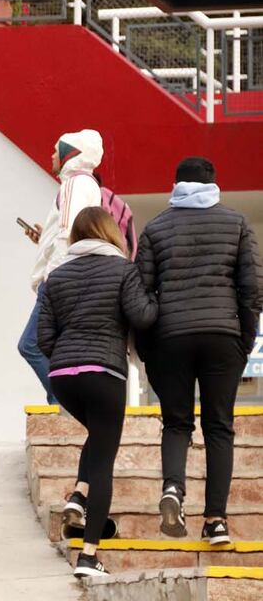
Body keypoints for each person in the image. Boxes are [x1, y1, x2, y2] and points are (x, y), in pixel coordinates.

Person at [136, 157, 261, 545]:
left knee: (177, 423)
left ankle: (173, 489)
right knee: (219, 425)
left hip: (170, 338)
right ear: (213, 184)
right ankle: (216, 521)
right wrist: (245, 340)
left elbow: (142, 294)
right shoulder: (236, 223)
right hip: (223, 335)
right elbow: (251, 288)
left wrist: (147, 351)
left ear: (176, 185)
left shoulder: (155, 228)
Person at [38, 207, 158, 578]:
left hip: (63, 375)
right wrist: (155, 300)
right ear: (110, 232)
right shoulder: (123, 269)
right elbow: (142, 316)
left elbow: (44, 337)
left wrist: (67, 358)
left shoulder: (55, 276)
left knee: (99, 436)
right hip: (104, 372)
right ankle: (89, 557)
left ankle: (78, 494)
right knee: (105, 457)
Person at [19, 129, 104, 404]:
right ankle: (63, 402)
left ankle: (63, 401)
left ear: (71, 153)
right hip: (71, 276)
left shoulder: (73, 185)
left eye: (57, 149)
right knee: (54, 347)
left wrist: (51, 277)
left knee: (30, 344)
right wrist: (44, 239)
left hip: (58, 278)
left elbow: (68, 233)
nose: (52, 155)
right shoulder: (85, 184)